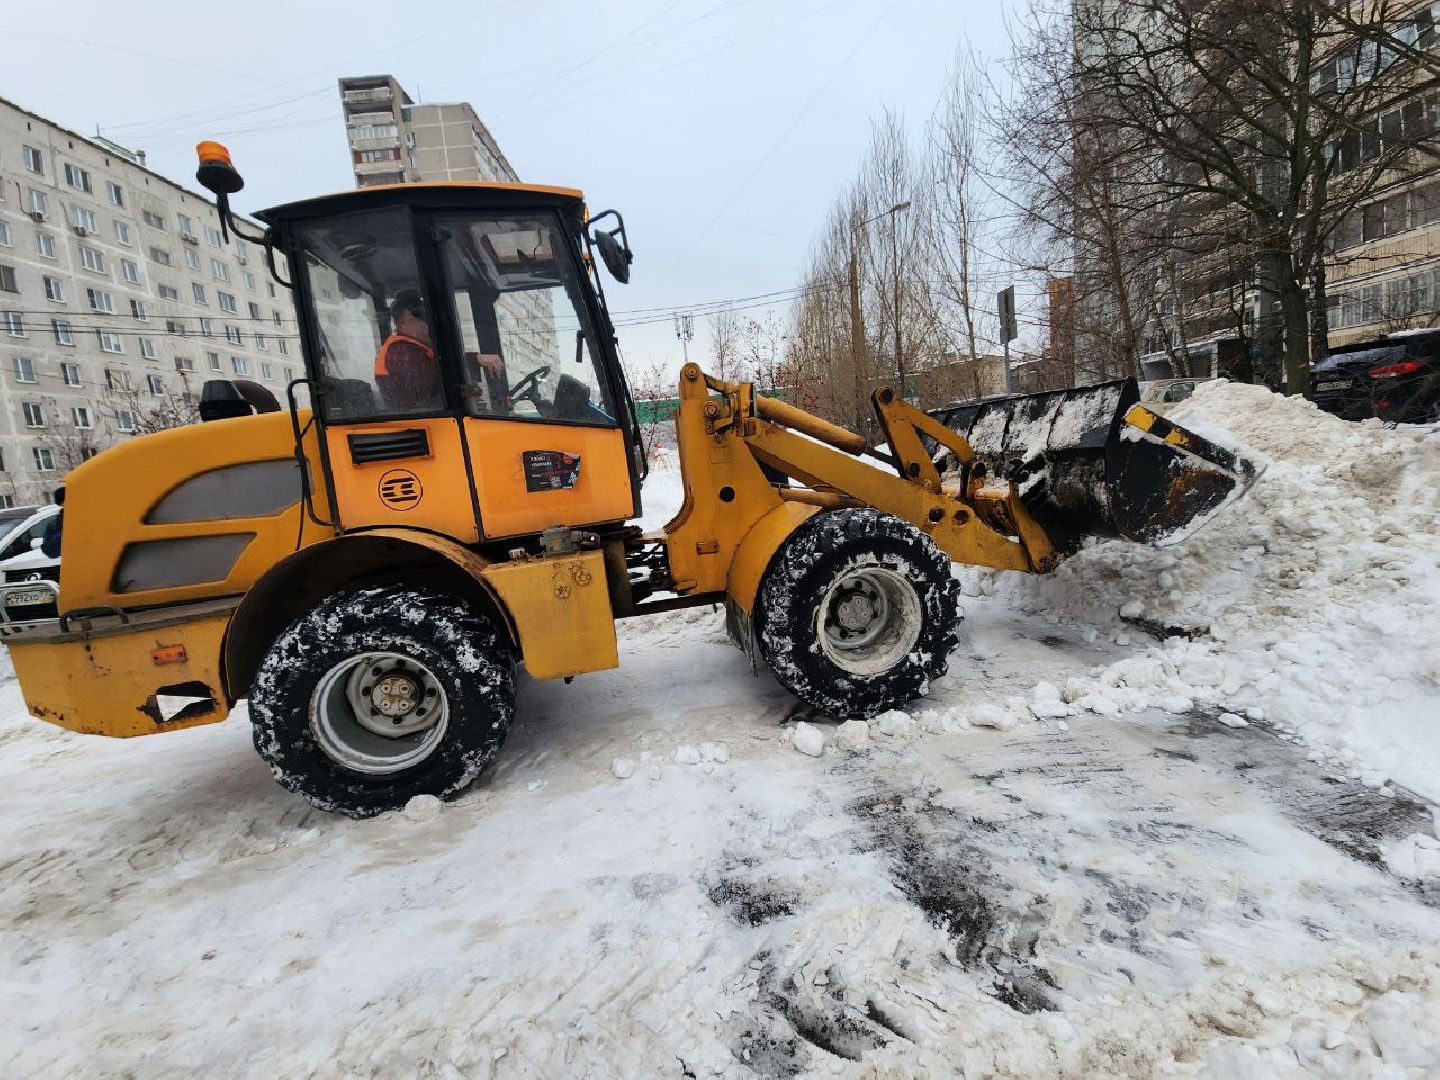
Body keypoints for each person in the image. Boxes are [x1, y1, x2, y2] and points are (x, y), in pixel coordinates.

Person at [374, 290, 443, 411]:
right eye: (414, 321)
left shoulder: (418, 345)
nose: (423, 325)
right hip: (415, 415)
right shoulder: (400, 350)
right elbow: (423, 386)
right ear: (399, 324)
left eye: (424, 319)